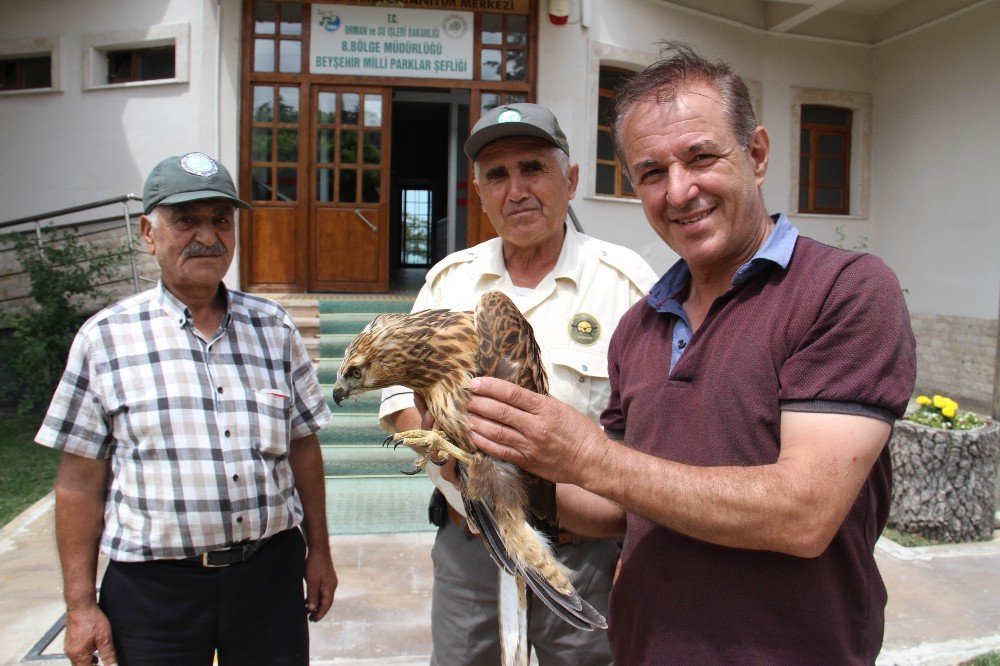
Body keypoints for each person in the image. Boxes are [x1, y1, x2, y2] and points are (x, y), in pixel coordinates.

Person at [464, 43, 917, 664]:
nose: (679, 191)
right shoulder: (638, 327)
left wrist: (588, 455)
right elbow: (616, 508)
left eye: (701, 157)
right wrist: (503, 466)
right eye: (651, 173)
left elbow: (804, 512)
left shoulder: (843, 290)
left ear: (756, 155)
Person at [378, 103, 657, 665]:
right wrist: (449, 450)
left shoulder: (626, 284)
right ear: (479, 193)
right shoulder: (449, 281)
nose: (517, 190)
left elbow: (661, 434)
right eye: (497, 176)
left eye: (534, 168)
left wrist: (642, 544)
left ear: (571, 180)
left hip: (586, 556)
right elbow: (397, 402)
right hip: (470, 548)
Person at [35, 152, 337, 666]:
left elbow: (302, 446)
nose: (208, 235)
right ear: (148, 234)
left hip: (267, 581)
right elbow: (79, 483)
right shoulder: (105, 339)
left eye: (221, 220)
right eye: (186, 220)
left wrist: (320, 551)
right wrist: (81, 604)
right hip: (154, 594)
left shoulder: (274, 329)